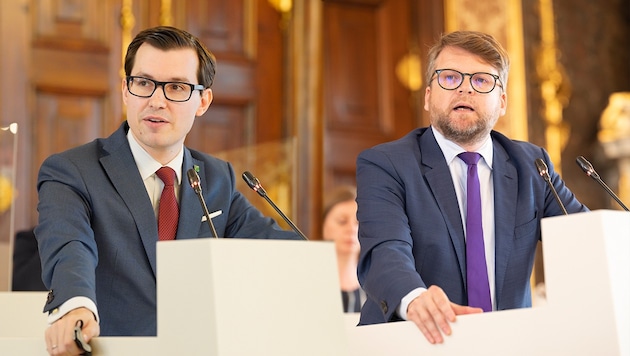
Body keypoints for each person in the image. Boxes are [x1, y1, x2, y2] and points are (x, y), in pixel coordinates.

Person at [35, 26, 300, 354]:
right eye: (144, 83)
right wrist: (76, 307)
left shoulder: (217, 178)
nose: (156, 101)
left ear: (203, 101)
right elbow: (69, 246)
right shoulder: (73, 171)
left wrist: (334, 262)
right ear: (125, 90)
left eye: (176, 87)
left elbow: (275, 250)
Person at [355, 30, 588, 344]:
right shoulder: (386, 164)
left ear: (502, 101)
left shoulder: (533, 166)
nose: (464, 88)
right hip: (414, 342)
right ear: (427, 96)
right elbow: (385, 250)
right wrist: (415, 299)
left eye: (481, 80)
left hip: (508, 344)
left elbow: (586, 238)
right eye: (449, 78)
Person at [321, 185, 364, 313]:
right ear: (324, 226)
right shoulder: (310, 281)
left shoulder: (377, 284)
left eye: (358, 222)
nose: (351, 229)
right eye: (342, 221)